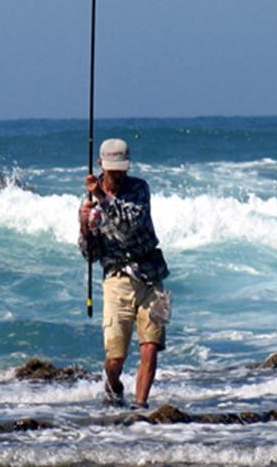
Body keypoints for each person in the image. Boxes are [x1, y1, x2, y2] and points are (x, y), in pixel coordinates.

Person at [78, 138, 169, 409]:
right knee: (115, 359)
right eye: (112, 169)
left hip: (152, 275)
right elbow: (89, 254)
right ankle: (113, 384)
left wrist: (103, 199)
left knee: (150, 346)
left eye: (121, 168)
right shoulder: (90, 206)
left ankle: (140, 408)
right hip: (117, 279)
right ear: (101, 166)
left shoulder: (139, 189)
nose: (117, 174)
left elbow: (129, 223)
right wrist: (84, 227)